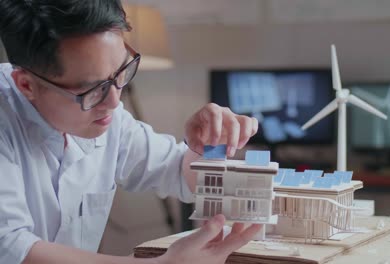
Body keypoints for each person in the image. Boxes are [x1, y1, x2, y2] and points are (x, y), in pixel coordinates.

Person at [0, 1, 262, 263]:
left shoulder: (107, 115)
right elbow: (10, 245)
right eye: (93, 88)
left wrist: (207, 147)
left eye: (121, 72)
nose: (115, 102)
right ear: (27, 85)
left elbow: (175, 171)